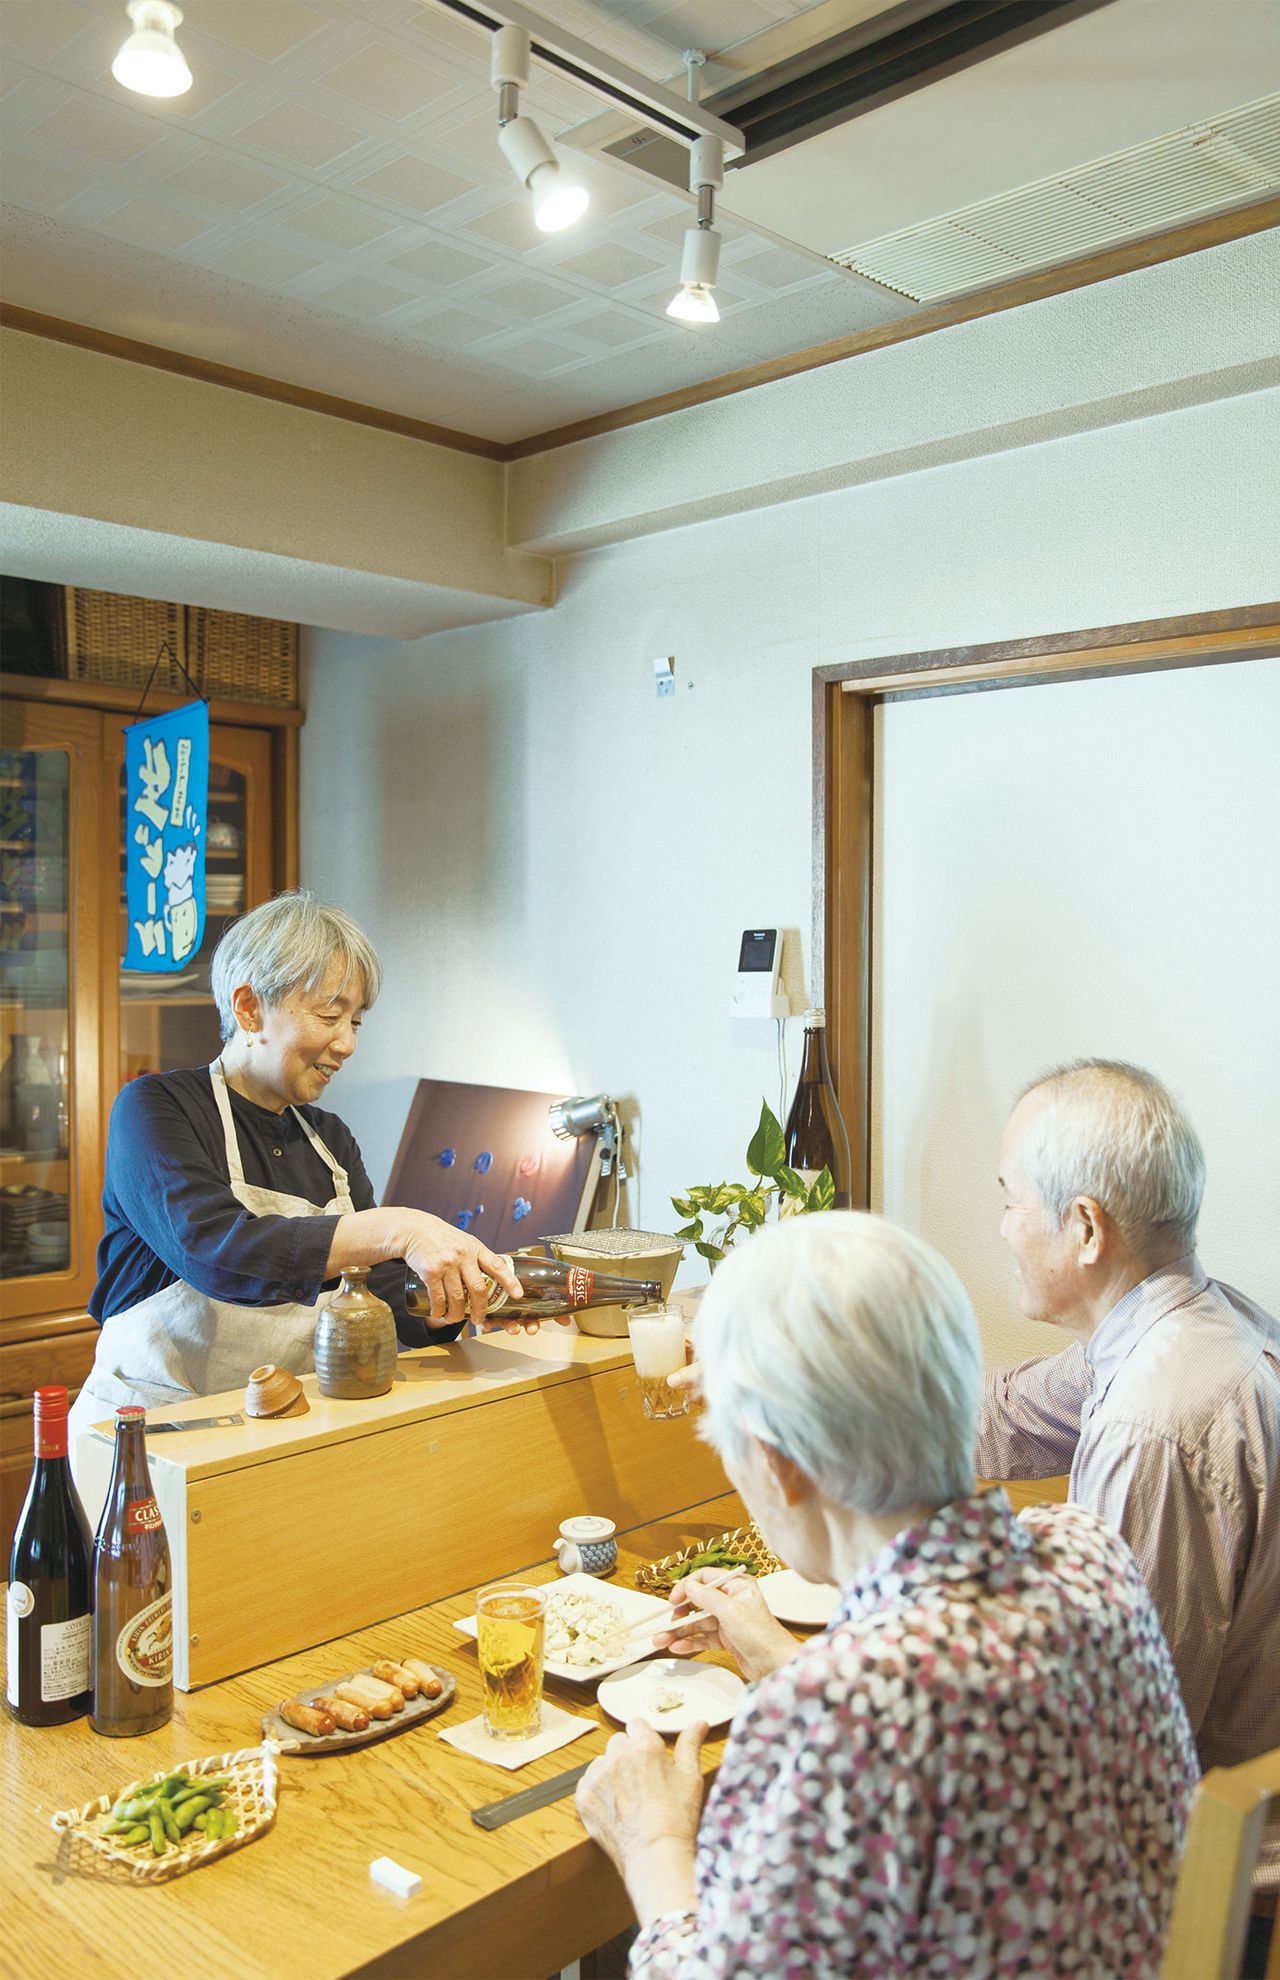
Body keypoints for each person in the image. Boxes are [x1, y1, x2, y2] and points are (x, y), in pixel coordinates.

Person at [576, 1213, 1199, 1978]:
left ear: (781, 1464)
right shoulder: (1090, 1554)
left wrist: (655, 1847)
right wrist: (775, 1652)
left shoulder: (834, 1716)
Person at [69, 891, 543, 1448]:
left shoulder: (331, 1140)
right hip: (149, 1441)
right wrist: (399, 1227)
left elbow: (387, 1298)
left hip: (277, 1438)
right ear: (248, 1009)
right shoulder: (155, 1108)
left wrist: (459, 1301)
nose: (346, 1044)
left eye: (357, 1021)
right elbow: (218, 1251)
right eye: (328, 1015)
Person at [980, 1058, 1280, 1914]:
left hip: (1206, 1892)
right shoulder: (1193, 1322)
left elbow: (1105, 1747)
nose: (1002, 1229)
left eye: (1010, 1200)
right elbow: (1003, 1417)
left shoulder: (1156, 1421)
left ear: (1084, 1228)